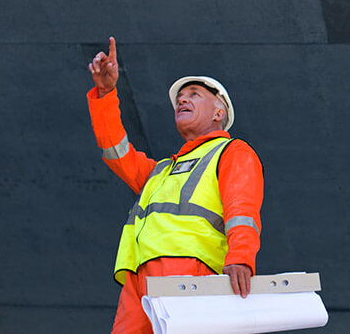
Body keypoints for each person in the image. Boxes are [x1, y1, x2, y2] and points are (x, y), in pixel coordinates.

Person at [87, 37, 264, 334]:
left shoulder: (232, 152)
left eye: (194, 94)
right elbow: (116, 152)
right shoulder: (160, 171)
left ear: (219, 113)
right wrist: (106, 94)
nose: (182, 100)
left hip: (189, 271)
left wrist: (241, 258)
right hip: (138, 279)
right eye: (181, 97)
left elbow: (242, 209)